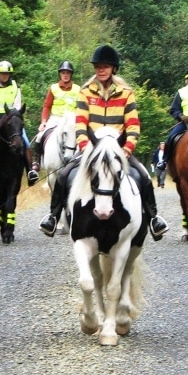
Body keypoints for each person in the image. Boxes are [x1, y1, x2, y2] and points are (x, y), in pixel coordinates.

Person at [38, 45, 168, 241]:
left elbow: (133, 125)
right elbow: (80, 123)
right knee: (64, 174)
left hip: (118, 148)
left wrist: (127, 148)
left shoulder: (126, 93)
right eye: (98, 66)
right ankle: (53, 216)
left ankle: (153, 219)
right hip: (91, 147)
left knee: (143, 176)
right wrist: (84, 147)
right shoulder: (85, 92)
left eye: (105, 66)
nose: (101, 69)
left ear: (113, 68)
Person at [32, 60, 81, 166]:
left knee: (82, 137)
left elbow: (80, 107)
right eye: (63, 73)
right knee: (40, 135)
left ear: (71, 74)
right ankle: (36, 162)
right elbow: (46, 106)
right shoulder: (53, 88)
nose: (65, 75)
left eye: (68, 73)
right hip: (55, 118)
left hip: (71, 120)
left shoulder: (78, 89)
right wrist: (43, 121)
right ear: (60, 74)